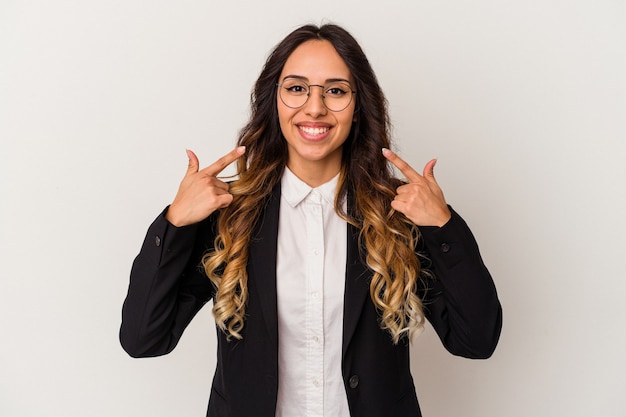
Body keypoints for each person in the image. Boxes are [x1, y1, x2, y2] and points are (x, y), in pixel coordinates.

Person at [120, 23, 502, 417]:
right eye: (296, 88)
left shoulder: (398, 214)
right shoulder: (230, 214)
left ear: (357, 108)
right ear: (274, 101)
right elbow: (143, 338)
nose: (315, 107)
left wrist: (442, 226)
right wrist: (175, 223)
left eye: (335, 90)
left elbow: (476, 340)